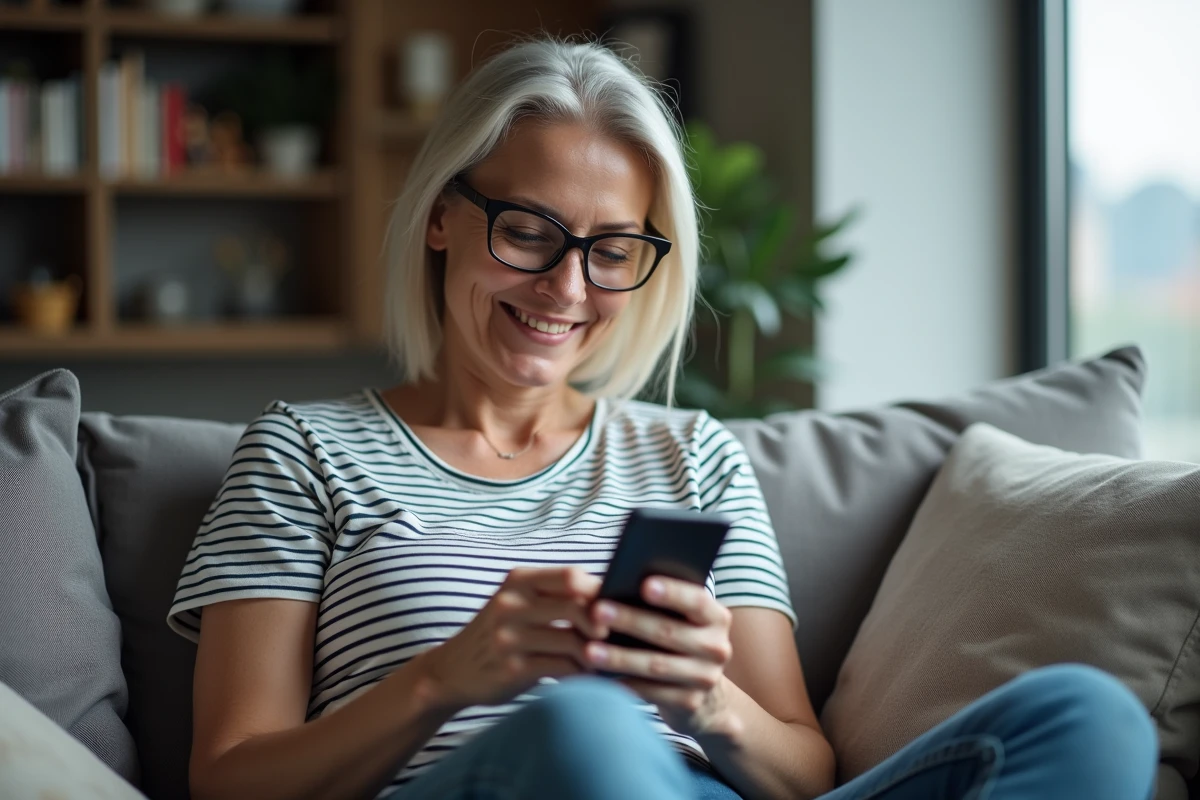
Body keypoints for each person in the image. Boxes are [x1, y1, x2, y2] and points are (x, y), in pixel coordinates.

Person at [167, 37, 1158, 800]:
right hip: (505, 776)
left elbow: (805, 762)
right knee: (582, 729)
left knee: (1089, 715)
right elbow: (231, 773)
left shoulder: (691, 454)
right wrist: (445, 679)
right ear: (440, 214)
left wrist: (708, 703)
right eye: (528, 231)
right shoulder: (304, 448)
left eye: (611, 249)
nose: (567, 285)